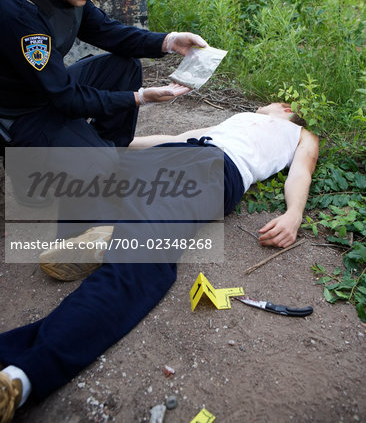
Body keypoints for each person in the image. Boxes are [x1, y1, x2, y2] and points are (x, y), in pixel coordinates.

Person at [0, 102, 318, 422]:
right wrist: (109, 146)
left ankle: (22, 374)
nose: (260, 106)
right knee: (103, 204)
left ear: (285, 106)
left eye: (268, 103)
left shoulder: (299, 132)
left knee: (126, 242)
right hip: (177, 157)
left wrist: (294, 215)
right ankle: (109, 237)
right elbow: (178, 136)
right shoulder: (238, 120)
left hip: (207, 166)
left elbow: (302, 169)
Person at [0, 0, 206, 149]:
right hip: (19, 112)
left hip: (48, 90)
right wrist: (140, 97)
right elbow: (66, 97)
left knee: (125, 68)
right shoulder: (19, 10)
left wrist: (170, 42)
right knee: (99, 167)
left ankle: (108, 148)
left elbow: (109, 32)